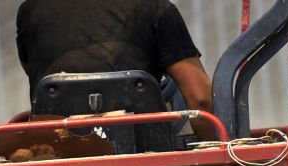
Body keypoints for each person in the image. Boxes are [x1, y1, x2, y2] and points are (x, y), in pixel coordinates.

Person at [16, 0, 215, 139]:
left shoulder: (30, 11)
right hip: (145, 161)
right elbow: (201, 99)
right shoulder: (156, 8)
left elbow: (36, 74)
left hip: (56, 156)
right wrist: (220, 163)